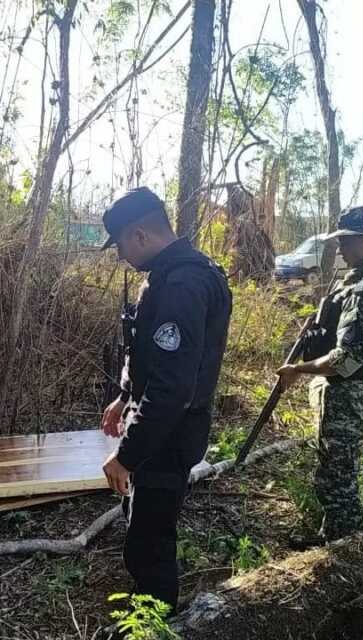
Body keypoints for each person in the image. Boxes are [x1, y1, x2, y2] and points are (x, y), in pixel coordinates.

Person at [99, 187, 232, 612]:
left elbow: (173, 389)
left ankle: (155, 619)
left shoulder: (183, 284)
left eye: (120, 244)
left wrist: (127, 455)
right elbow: (148, 354)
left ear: (139, 235)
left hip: (169, 434)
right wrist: (124, 397)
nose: (120, 254)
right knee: (143, 521)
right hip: (157, 428)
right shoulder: (165, 277)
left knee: (150, 542)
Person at [276, 204, 363, 544]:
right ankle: (336, 536)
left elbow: (345, 359)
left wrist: (298, 369)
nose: (339, 248)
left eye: (345, 241)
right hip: (346, 393)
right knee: (334, 469)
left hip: (349, 394)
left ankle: (345, 547)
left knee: (337, 476)